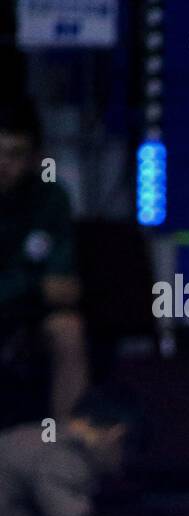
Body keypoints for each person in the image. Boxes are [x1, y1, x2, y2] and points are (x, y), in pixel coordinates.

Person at [0, 386, 169, 516]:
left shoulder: (29, 441)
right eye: (125, 459)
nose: (118, 471)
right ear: (117, 436)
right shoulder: (60, 456)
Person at [0, 96, 88, 430]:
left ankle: (65, 450)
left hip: (27, 323)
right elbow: (47, 286)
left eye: (15, 153)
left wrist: (23, 289)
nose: (3, 164)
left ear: (36, 158)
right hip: (27, 303)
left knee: (68, 328)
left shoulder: (50, 196)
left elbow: (63, 289)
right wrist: (33, 285)